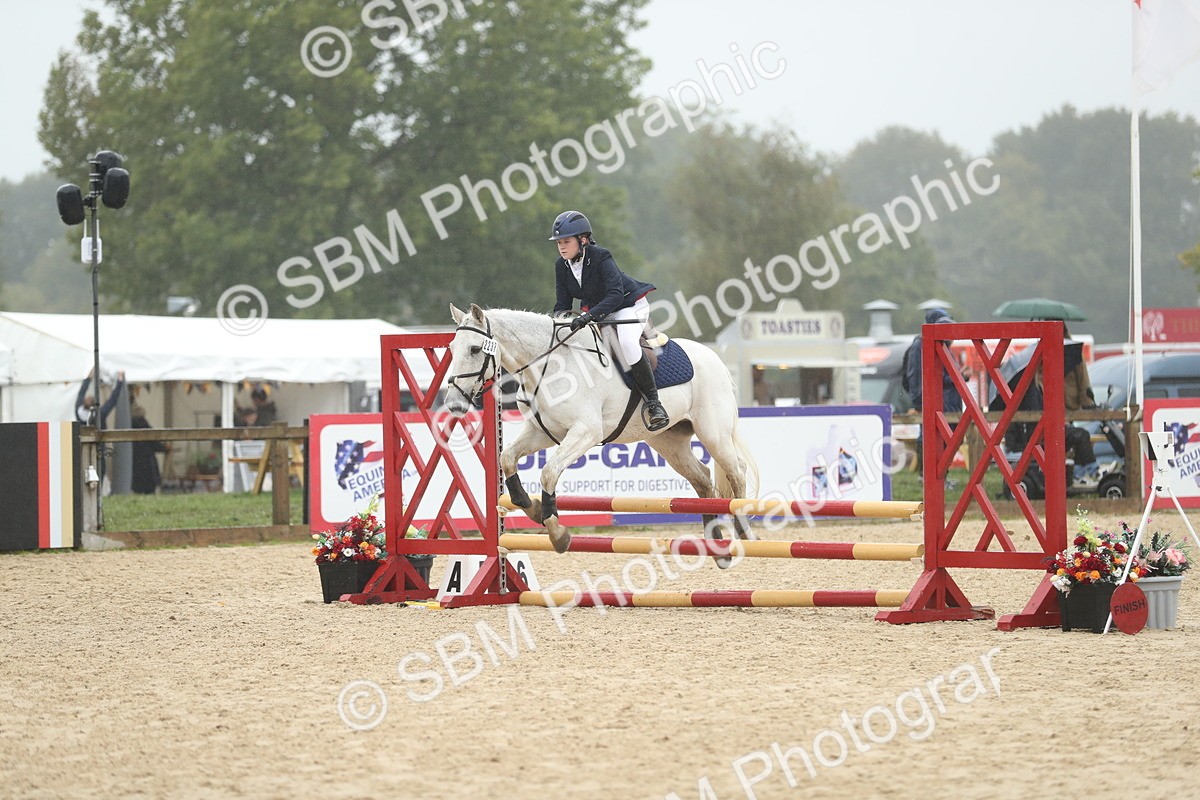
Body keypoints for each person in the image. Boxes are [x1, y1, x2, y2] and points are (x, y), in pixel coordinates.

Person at [548, 210, 669, 431]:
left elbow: (614, 295)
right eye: (559, 243)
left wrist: (588, 317)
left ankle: (654, 405)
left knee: (626, 344)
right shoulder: (561, 266)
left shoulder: (601, 256)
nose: (562, 247)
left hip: (627, 306)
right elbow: (563, 304)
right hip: (600, 311)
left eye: (566, 241)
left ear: (583, 240)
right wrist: (556, 323)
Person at [1062, 325, 1099, 487]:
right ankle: (1087, 472)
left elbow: (1083, 379)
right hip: (1065, 404)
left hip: (1067, 406)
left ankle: (1083, 473)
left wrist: (1087, 403)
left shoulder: (1072, 352)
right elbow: (1083, 380)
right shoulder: (1073, 352)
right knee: (1080, 437)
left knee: (1078, 437)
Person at [129, 404, 168, 494]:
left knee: (138, 487)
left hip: (135, 460)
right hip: (147, 460)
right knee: (149, 487)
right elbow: (154, 442)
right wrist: (164, 448)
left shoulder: (129, 425)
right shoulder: (144, 424)